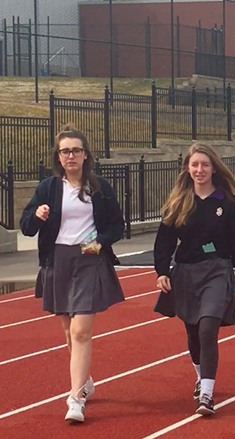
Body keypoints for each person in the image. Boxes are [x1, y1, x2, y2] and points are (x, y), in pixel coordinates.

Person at [20, 125, 125, 424]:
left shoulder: (100, 188)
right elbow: (26, 226)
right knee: (69, 332)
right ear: (58, 156)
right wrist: (37, 215)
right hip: (58, 261)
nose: (71, 156)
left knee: (81, 332)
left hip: (89, 259)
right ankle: (86, 380)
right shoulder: (48, 188)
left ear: (85, 154)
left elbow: (117, 225)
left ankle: (75, 397)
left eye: (76, 150)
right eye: (65, 151)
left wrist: (100, 242)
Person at [153, 142, 235, 417]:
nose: (200, 170)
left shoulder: (226, 203)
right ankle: (199, 376)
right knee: (193, 331)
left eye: (205, 164)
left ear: (213, 168)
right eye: (195, 165)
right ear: (187, 168)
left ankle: (206, 394)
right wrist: (162, 271)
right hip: (185, 272)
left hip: (217, 271)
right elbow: (164, 243)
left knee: (208, 328)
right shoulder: (178, 203)